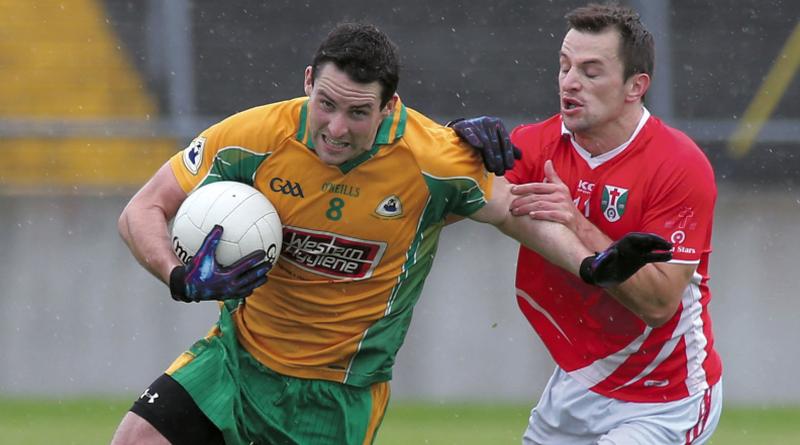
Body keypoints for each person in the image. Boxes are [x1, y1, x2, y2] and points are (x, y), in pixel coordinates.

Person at [110, 22, 667, 445]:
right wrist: (179, 277)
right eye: (324, 104)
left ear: (389, 106)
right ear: (308, 82)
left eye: (357, 113)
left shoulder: (432, 159)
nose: (334, 127)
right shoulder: (252, 135)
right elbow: (143, 209)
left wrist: (593, 266)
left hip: (337, 394)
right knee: (135, 439)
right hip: (233, 358)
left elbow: (515, 213)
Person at [504, 4, 723, 444]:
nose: (569, 82)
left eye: (590, 71)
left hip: (665, 394)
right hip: (578, 381)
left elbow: (659, 303)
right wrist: (457, 139)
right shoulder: (536, 144)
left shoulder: (679, 166)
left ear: (635, 87)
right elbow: (465, 196)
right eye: (564, 66)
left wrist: (577, 223)